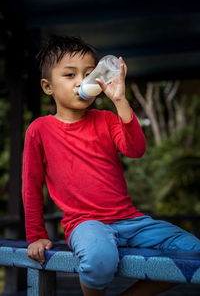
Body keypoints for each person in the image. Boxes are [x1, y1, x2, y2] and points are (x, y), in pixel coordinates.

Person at [22, 36, 200, 296]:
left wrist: (119, 100)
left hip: (130, 220)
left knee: (192, 250)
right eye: (70, 75)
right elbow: (31, 186)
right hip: (86, 224)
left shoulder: (106, 119)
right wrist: (36, 235)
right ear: (48, 86)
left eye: (89, 73)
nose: (83, 82)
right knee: (99, 261)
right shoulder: (39, 129)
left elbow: (135, 149)